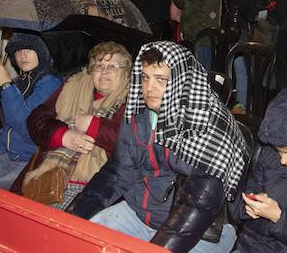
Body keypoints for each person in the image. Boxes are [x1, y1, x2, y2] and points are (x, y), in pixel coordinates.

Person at [69, 42, 247, 253]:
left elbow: (198, 206)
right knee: (81, 240)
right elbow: (118, 173)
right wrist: (72, 219)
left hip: (201, 231)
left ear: (182, 81)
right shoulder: (139, 115)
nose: (148, 88)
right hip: (141, 215)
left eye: (161, 79)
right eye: (145, 77)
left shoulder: (209, 130)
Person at [22, 42, 131, 208]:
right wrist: (63, 136)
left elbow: (131, 145)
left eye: (113, 66)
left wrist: (95, 126)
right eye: (99, 66)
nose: (104, 71)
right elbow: (36, 119)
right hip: (49, 177)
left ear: (126, 72)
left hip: (97, 188)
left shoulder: (134, 100)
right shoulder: (72, 85)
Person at [0, 34, 60, 189]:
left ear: (41, 52)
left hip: (31, 160)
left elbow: (27, 127)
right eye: (18, 50)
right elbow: (8, 126)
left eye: (29, 49)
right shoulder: (21, 81)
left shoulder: (50, 83)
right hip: (9, 154)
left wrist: (6, 85)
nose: (23, 55)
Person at [230, 88, 287, 253]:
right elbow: (245, 195)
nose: (283, 160)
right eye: (279, 151)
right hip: (248, 245)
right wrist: (250, 203)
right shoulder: (269, 156)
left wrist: (278, 217)